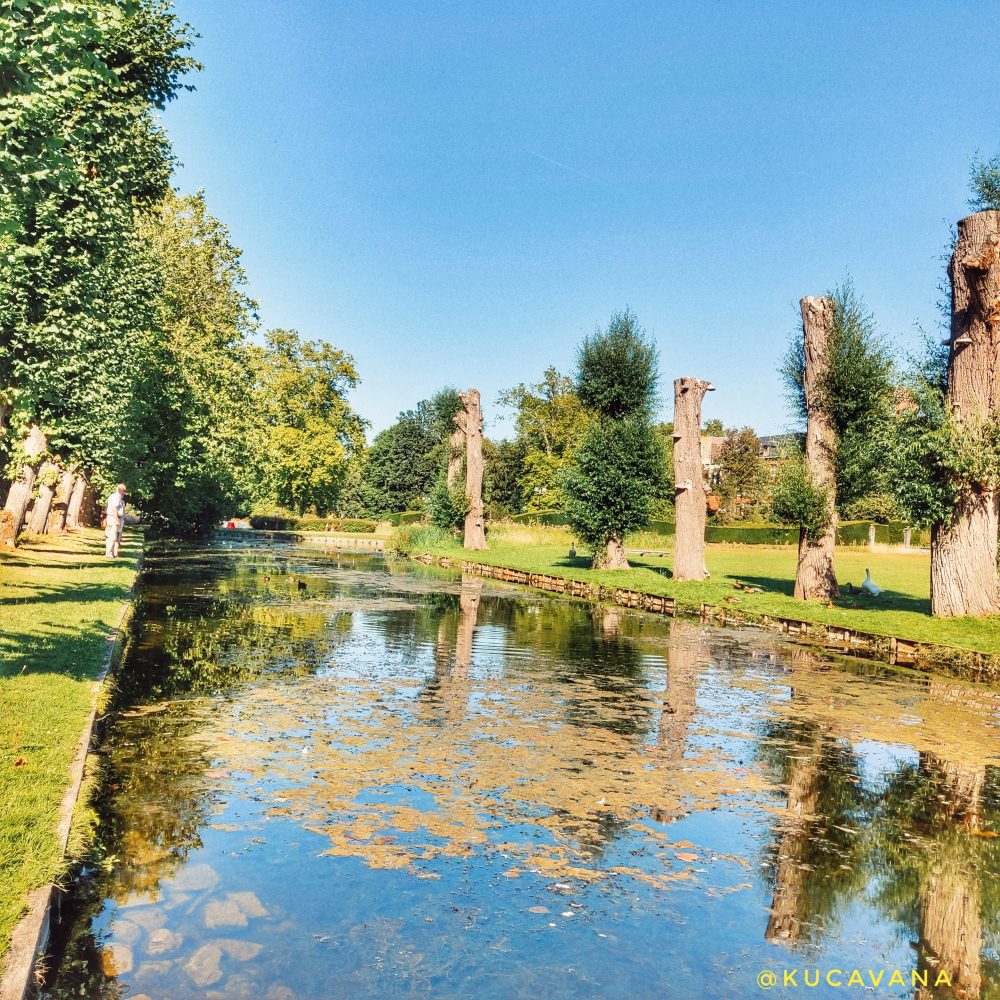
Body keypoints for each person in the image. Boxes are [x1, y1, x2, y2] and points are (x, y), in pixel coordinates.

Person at [105, 483, 126, 559]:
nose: (124, 492)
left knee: (117, 537)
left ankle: (115, 553)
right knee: (112, 536)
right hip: (114, 518)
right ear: (119, 489)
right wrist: (117, 519)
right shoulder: (115, 497)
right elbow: (114, 509)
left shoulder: (119, 498)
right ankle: (109, 553)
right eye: (123, 490)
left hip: (118, 518)